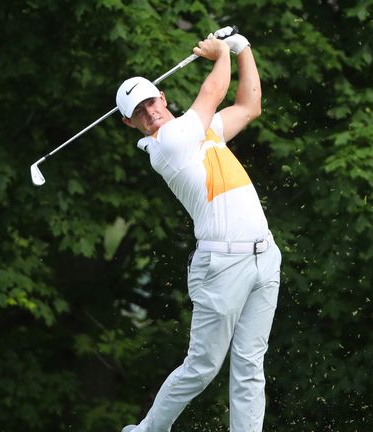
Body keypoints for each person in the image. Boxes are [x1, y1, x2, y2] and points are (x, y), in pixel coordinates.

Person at [116, 27, 281, 432]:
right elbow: (213, 92)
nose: (150, 112)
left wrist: (243, 49)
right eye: (139, 111)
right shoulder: (169, 142)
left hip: (264, 255)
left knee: (250, 364)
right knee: (203, 366)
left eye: (151, 101)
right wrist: (221, 53)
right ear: (129, 122)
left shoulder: (204, 132)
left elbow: (250, 106)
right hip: (221, 265)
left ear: (162, 97)